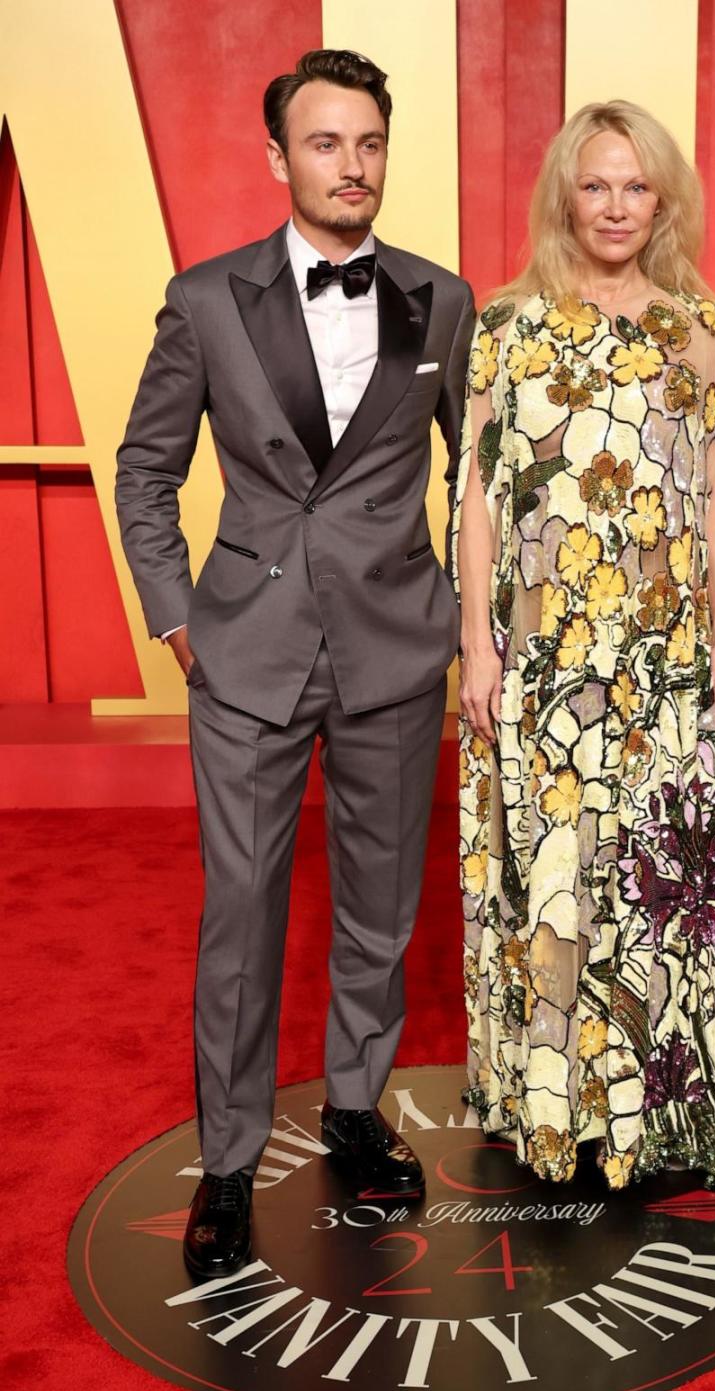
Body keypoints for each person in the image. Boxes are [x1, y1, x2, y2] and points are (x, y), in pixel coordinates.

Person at [116, 48, 474, 1277]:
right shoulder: (206, 298)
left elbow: (475, 477)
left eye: (368, 143)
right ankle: (227, 1164)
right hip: (247, 656)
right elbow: (145, 471)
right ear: (280, 158)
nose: (351, 165)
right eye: (325, 144)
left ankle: (358, 1112)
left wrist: (468, 624)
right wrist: (180, 622)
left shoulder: (443, 298)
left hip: (393, 653)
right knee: (242, 915)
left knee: (379, 909)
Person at [452, 100, 715, 1200]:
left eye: (636, 186)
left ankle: (656, 1110)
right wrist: (476, 646)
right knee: (557, 878)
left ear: (662, 199)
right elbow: (477, 496)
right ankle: (556, 1110)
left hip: (662, 654)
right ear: (563, 197)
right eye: (596, 185)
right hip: (543, 655)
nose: (616, 206)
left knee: (652, 878)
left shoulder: (696, 329)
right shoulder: (507, 325)